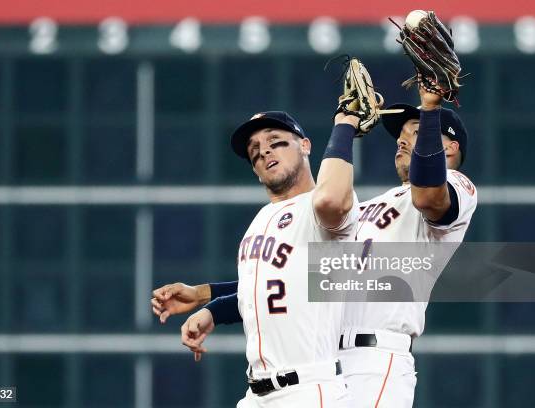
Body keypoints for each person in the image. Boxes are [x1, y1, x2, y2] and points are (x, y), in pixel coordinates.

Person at [153, 86, 477, 407]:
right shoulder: (368, 208)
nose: (403, 140)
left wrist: (431, 110)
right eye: (401, 134)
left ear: (448, 147)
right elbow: (297, 281)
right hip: (326, 360)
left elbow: (429, 194)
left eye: (416, 132)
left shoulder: (455, 187)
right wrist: (209, 299)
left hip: (375, 359)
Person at [157, 108, 369, 407]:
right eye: (254, 150)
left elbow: (333, 198)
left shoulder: (318, 210)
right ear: (255, 170)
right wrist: (208, 303)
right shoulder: (260, 220)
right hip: (257, 394)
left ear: (305, 145)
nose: (264, 150)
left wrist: (344, 126)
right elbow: (268, 287)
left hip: (308, 390)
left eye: (276, 141)